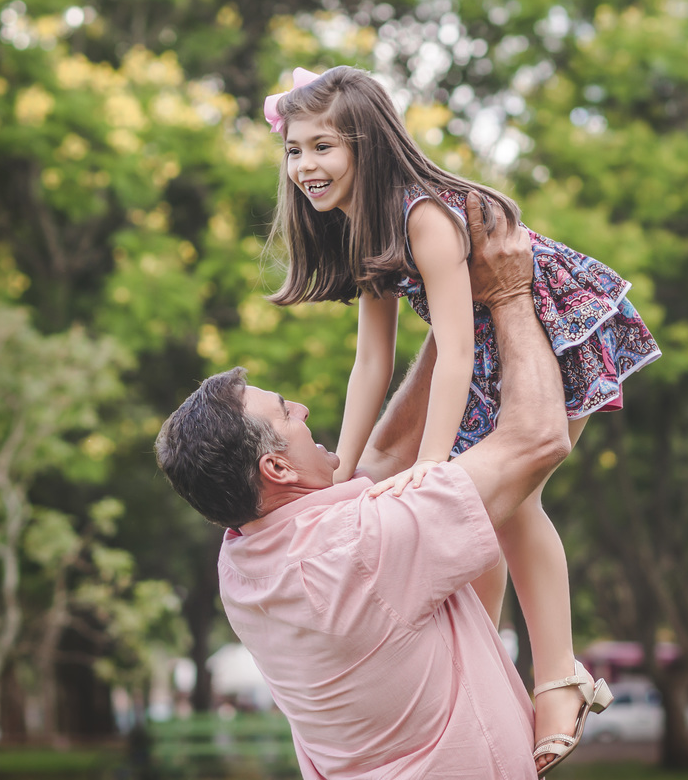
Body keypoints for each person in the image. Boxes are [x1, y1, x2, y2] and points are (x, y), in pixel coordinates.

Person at [261, 65, 660, 772]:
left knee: (515, 501)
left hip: (548, 321)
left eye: (323, 147)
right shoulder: (364, 228)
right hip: (483, 346)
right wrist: (343, 474)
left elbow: (456, 349)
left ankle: (559, 675)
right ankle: (488, 665)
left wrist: (429, 466)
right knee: (477, 514)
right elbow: (372, 362)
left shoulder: (422, 216)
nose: (305, 166)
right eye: (294, 150)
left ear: (367, 145)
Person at [156, 196, 611, 778]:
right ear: (277, 470)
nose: (302, 408)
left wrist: (457, 306)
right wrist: (507, 295)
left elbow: (391, 453)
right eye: (286, 413)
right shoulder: (359, 551)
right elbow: (538, 439)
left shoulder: (245, 566)